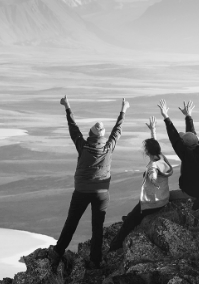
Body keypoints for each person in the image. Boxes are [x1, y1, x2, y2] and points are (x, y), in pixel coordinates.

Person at [49, 95, 128, 270]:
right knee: (97, 228)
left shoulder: (82, 146)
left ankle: (57, 253)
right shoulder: (108, 148)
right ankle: (95, 261)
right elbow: (117, 131)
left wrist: (67, 106)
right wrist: (123, 110)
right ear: (102, 136)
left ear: (91, 134)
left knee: (72, 222)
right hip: (101, 194)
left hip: (81, 191)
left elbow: (73, 128)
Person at [108, 117, 173, 251]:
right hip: (163, 198)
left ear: (147, 152)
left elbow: (153, 174)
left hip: (153, 203)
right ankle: (135, 217)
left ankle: (114, 246)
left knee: (128, 223)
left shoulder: (153, 166)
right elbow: (156, 146)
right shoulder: (161, 158)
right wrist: (153, 130)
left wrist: (153, 180)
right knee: (134, 214)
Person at [157, 100, 199, 209]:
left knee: (162, 196)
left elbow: (175, 139)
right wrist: (188, 116)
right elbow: (191, 135)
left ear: (186, 146)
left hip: (192, 194)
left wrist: (166, 117)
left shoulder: (188, 157)